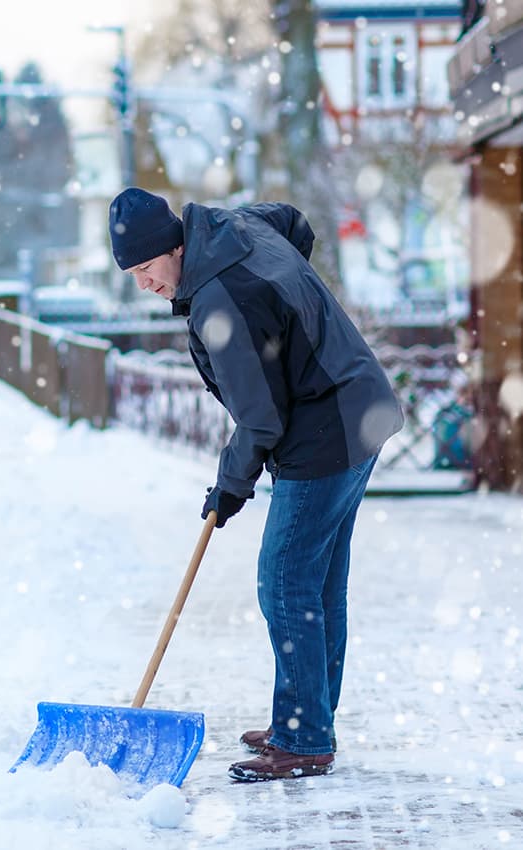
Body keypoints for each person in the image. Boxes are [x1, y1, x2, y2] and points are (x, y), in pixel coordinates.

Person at [108, 187, 403, 782]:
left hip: (325, 433)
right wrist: (293, 308)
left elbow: (261, 417)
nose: (143, 284)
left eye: (145, 269)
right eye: (132, 274)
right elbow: (293, 222)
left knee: (285, 582)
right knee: (316, 585)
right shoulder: (232, 230)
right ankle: (308, 718)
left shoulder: (222, 301)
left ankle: (304, 737)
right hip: (356, 409)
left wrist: (230, 484)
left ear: (173, 247)